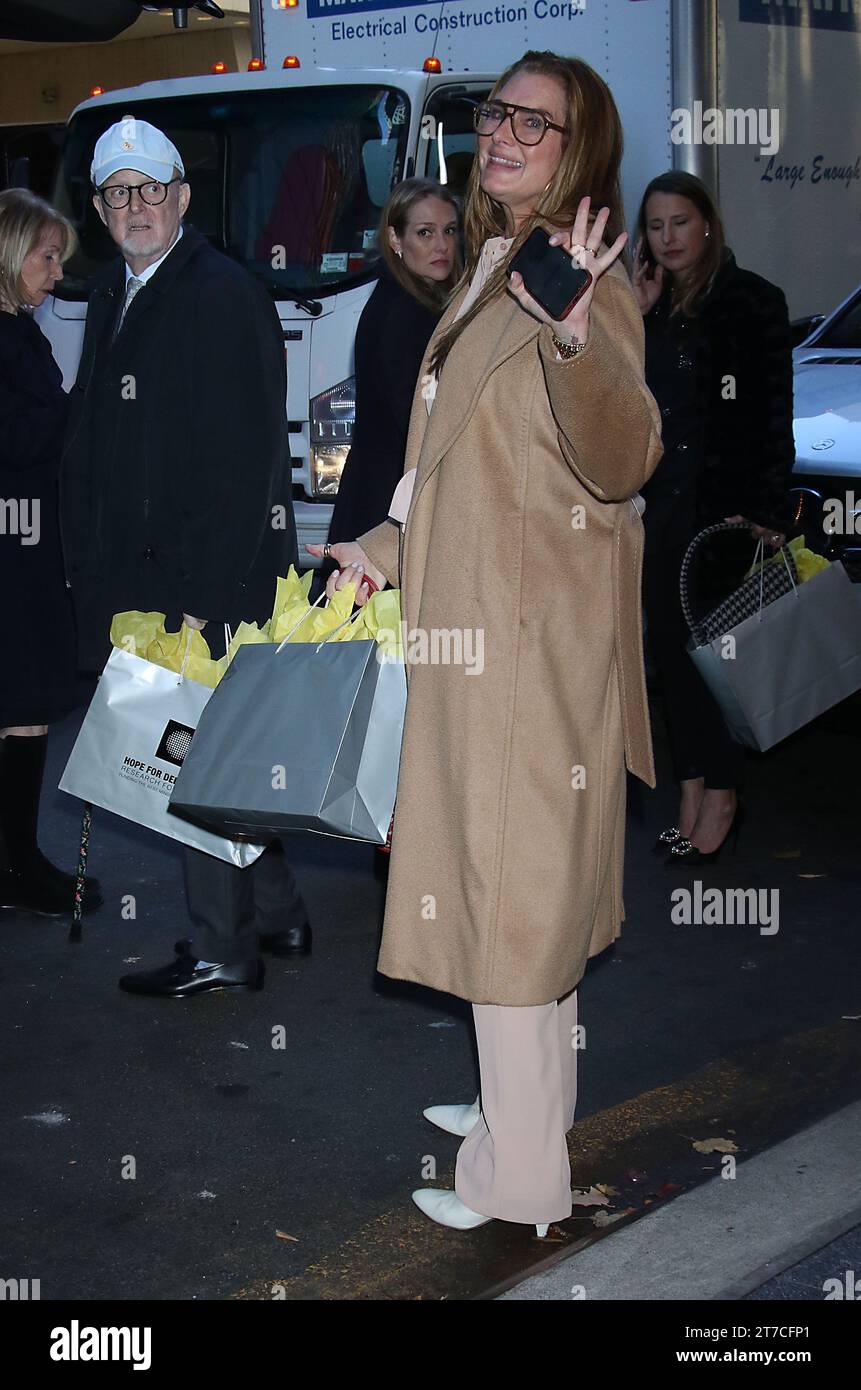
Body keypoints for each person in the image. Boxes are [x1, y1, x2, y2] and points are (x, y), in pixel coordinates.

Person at [310, 51, 662, 1234]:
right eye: (497, 114)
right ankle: (531, 1142)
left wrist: (571, 334)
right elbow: (453, 471)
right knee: (532, 921)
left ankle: (520, 1184)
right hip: (479, 636)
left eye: (536, 123)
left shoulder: (579, 279)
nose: (504, 134)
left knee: (512, 916)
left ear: (579, 151)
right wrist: (382, 547)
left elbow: (625, 456)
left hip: (526, 654)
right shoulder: (492, 265)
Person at [60, 117, 311, 997]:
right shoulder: (114, 290)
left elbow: (246, 465)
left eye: (150, 189)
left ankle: (222, 948)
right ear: (98, 208)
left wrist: (202, 600)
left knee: (185, 767)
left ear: (181, 197)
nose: (135, 207)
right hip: (146, 577)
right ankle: (276, 916)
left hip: (204, 582)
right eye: (117, 193)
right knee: (215, 757)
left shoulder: (218, 292)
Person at [631, 171, 794, 864]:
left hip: (722, 515)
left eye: (678, 222)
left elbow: (771, 412)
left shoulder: (751, 301)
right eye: (654, 226)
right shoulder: (646, 306)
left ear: (705, 225)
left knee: (715, 660)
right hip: (656, 510)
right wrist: (635, 317)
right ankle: (692, 786)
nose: (666, 238)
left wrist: (766, 508)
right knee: (670, 657)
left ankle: (722, 794)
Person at [0, 189, 103, 918]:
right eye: (45, 255)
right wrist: (77, 410)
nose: (55, 270)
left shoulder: (19, 330)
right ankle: (22, 867)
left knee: (20, 708)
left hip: (25, 544)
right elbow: (18, 442)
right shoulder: (6, 338)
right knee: (25, 705)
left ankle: (17, 862)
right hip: (14, 551)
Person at [326, 179, 460, 545]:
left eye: (449, 230)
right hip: (390, 507)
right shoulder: (404, 312)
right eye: (425, 233)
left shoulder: (408, 300)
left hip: (381, 498)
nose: (442, 245)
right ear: (395, 240)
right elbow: (416, 421)